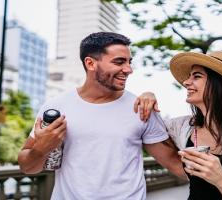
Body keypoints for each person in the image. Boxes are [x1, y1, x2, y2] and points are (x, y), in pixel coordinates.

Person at [18, 32, 185, 200]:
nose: (128, 70)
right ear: (90, 63)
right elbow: (27, 167)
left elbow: (176, 165)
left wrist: (212, 180)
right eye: (119, 62)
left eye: (129, 62)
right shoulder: (56, 107)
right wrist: (42, 147)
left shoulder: (142, 108)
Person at [136, 51, 222, 199]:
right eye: (189, 76)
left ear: (221, 84)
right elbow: (147, 125)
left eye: (197, 76)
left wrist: (221, 179)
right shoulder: (183, 128)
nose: (186, 82)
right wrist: (148, 96)